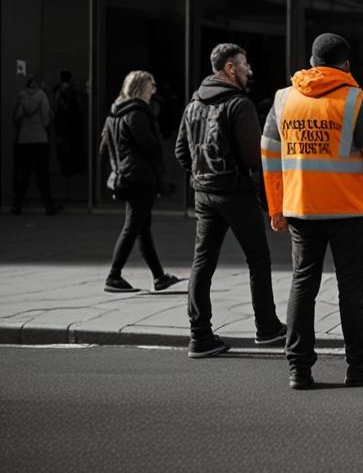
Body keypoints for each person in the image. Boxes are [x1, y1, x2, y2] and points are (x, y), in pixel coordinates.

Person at [261, 33, 363, 390]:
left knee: (302, 284)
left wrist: (276, 207)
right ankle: (359, 362)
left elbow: (269, 156)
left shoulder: (283, 99)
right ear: (346, 64)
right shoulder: (356, 100)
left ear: (311, 62)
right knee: (350, 288)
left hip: (301, 208)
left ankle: (299, 368)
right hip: (345, 210)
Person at [175, 44, 287, 359]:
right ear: (229, 68)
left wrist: (201, 178)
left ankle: (199, 336)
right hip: (236, 193)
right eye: (244, 64)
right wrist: (269, 203)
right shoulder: (239, 104)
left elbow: (181, 152)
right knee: (257, 259)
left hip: (204, 194)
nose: (249, 69)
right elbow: (254, 160)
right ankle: (267, 327)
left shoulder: (193, 103)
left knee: (203, 262)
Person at [100, 71, 183, 294]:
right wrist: (160, 180)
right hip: (139, 178)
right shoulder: (137, 114)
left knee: (142, 228)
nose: (154, 89)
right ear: (139, 87)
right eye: (151, 84)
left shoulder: (114, 114)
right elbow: (151, 149)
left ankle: (159, 277)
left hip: (126, 175)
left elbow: (105, 148)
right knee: (133, 226)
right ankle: (113, 275)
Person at [11, 76, 59, 215]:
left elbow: (16, 118)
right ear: (37, 85)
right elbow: (46, 119)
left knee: (23, 174)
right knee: (42, 174)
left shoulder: (21, 96)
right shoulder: (41, 95)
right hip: (39, 139)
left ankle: (17, 205)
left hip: (24, 140)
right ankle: (48, 205)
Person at [53, 69, 86, 182]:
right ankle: (75, 168)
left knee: (63, 146)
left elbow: (56, 106)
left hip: (62, 122)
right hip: (74, 122)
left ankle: (66, 170)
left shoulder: (57, 91)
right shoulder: (75, 90)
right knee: (74, 145)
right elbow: (81, 107)